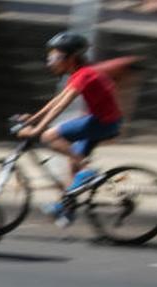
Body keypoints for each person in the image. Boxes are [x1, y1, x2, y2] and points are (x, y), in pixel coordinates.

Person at [17, 31, 123, 226]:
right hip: (104, 121)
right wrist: (34, 118)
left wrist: (37, 130)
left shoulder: (85, 75)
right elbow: (56, 100)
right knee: (72, 165)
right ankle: (67, 209)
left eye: (56, 57)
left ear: (71, 58)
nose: (51, 61)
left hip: (103, 123)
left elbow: (60, 106)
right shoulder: (80, 73)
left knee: (50, 136)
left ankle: (87, 170)